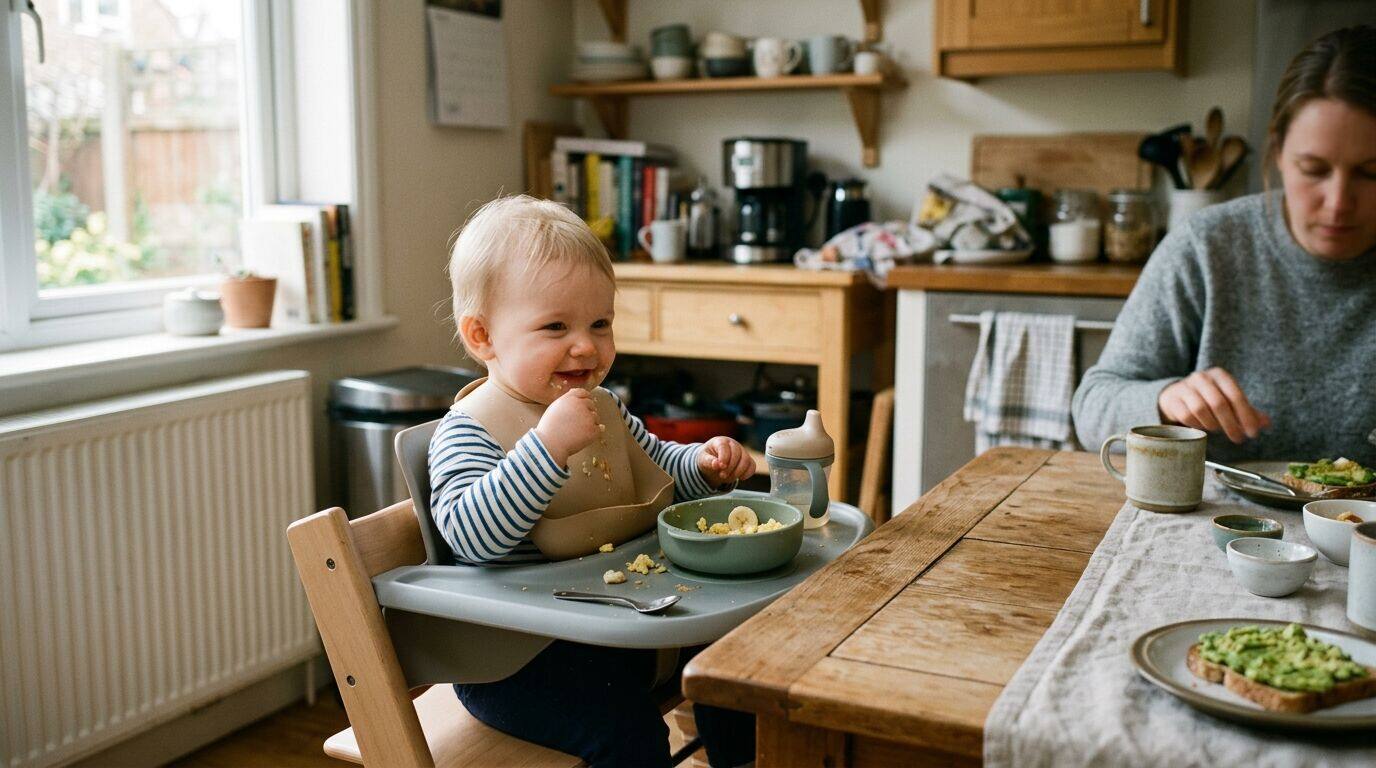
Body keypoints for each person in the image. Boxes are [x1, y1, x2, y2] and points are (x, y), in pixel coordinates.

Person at [427, 195, 757, 768]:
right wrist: (547, 447)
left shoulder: (601, 407)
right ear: (482, 337)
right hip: (514, 662)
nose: (586, 345)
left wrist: (702, 466)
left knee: (737, 661)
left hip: (610, 627)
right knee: (627, 735)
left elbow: (654, 469)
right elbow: (472, 536)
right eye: (555, 326)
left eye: (599, 323)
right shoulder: (468, 430)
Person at [1073, 25, 1376, 467]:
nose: (1338, 203)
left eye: (1371, 173)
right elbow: (1093, 405)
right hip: (1211, 526)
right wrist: (1165, 399)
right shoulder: (1207, 247)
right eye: (1313, 169)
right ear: (1277, 155)